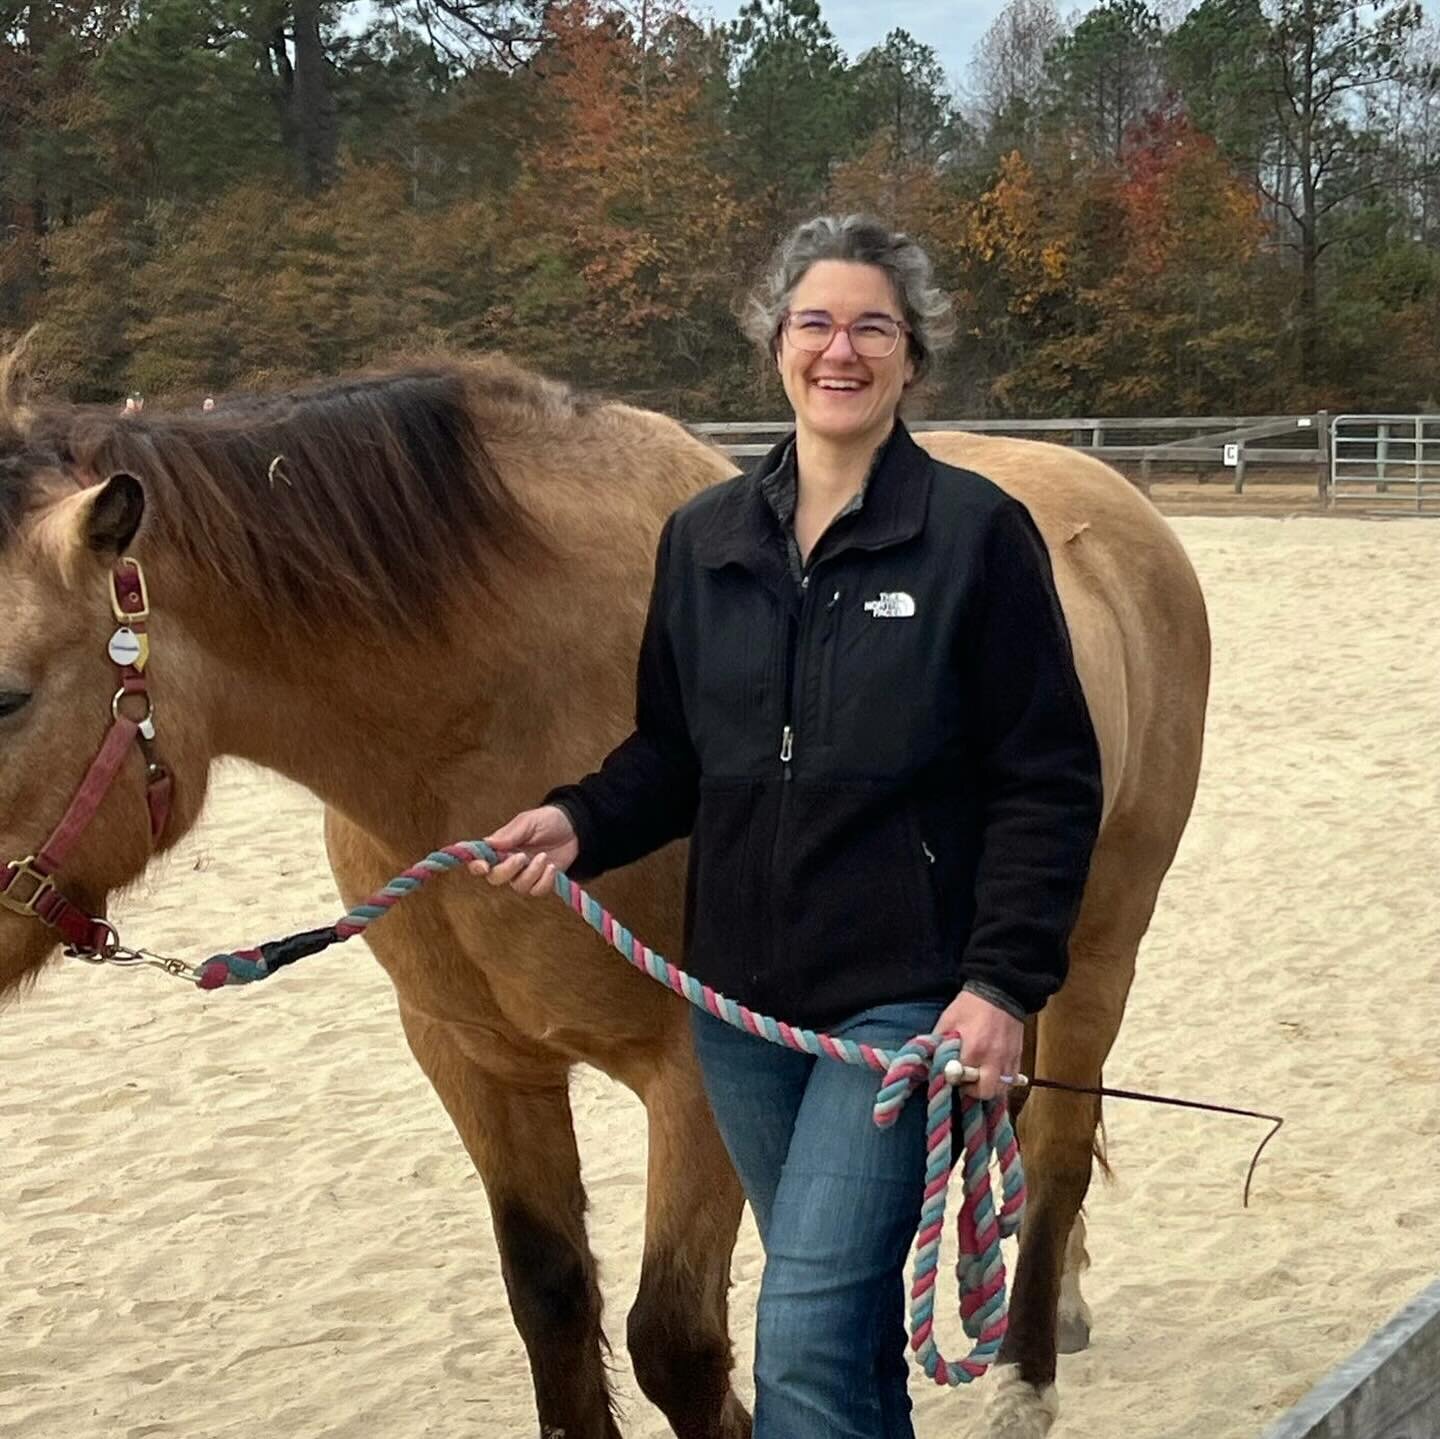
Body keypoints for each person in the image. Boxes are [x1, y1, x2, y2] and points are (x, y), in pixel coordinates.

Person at [471, 214, 1103, 1439]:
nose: (841, 348)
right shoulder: (706, 540)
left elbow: (1048, 777)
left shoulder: (975, 534)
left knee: (803, 1340)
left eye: (874, 325)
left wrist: (1002, 983)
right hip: (741, 1011)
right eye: (815, 322)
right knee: (850, 1337)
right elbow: (673, 753)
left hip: (905, 1005)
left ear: (913, 357)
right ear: (777, 345)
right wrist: (574, 821)